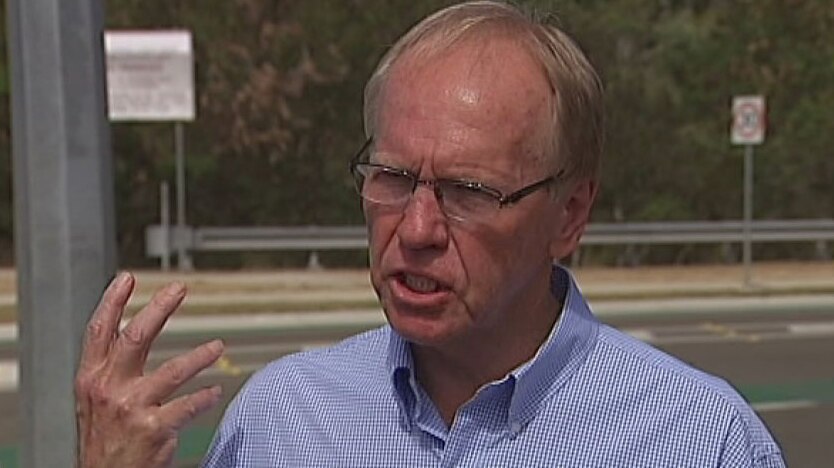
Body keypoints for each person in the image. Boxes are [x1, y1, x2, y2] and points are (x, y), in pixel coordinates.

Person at [75, 1, 785, 467]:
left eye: (469, 193)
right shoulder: (283, 422)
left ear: (569, 215)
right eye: (390, 177)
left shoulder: (696, 439)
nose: (415, 229)